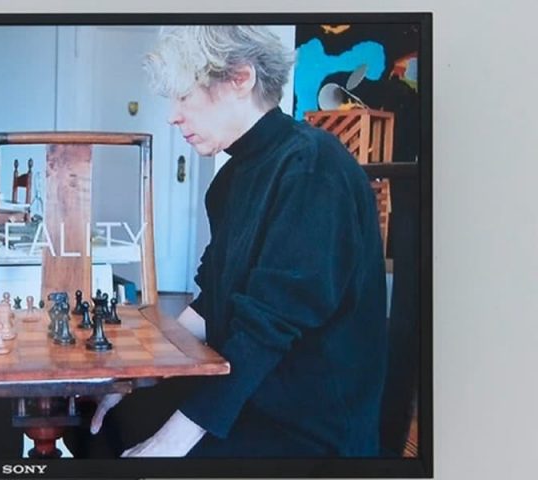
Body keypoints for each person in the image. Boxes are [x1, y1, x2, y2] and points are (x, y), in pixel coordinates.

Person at [84, 25, 388, 458]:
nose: (172, 116)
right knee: (94, 420)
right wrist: (136, 374)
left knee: (130, 449)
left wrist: (169, 443)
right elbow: (212, 304)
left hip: (307, 427)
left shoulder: (313, 168)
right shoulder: (229, 180)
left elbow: (266, 331)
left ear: (241, 78)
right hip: (249, 390)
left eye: (184, 96)